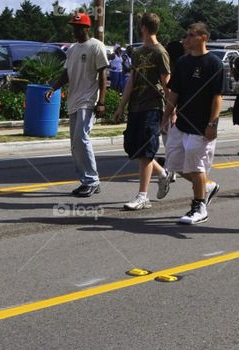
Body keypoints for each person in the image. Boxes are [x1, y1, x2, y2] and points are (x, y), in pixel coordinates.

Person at [161, 21, 223, 225]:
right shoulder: (182, 62)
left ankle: (199, 207)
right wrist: (166, 116)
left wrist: (212, 124)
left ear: (203, 37)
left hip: (201, 126)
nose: (185, 39)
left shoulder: (213, 63)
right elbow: (174, 93)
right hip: (181, 124)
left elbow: (217, 97)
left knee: (196, 168)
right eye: (185, 35)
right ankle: (208, 186)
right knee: (174, 164)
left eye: (190, 35)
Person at [113, 11, 173, 209]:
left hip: (152, 106)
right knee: (134, 149)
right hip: (135, 107)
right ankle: (163, 174)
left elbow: (167, 84)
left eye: (139, 27)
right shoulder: (138, 53)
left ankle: (142, 196)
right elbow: (131, 81)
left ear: (144, 28)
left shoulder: (160, 52)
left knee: (146, 152)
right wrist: (121, 106)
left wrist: (171, 111)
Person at [45, 11, 108, 197]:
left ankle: (93, 180)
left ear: (87, 27)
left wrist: (101, 101)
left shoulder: (96, 46)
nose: (75, 30)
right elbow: (66, 73)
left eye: (79, 27)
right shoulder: (72, 49)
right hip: (73, 100)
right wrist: (53, 88)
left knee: (82, 139)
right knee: (75, 144)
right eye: (74, 26)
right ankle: (85, 180)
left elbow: (103, 74)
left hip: (88, 101)